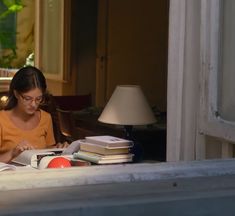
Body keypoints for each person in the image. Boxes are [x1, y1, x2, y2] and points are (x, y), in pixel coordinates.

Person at [0, 66, 65, 163]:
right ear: (16, 94)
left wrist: (59, 150)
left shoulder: (46, 118)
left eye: (38, 99)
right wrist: (13, 153)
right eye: (27, 98)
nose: (33, 104)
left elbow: (48, 154)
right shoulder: (2, 120)